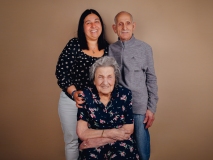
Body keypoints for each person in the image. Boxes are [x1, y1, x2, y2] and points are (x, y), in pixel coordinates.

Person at [55, 9, 108, 160]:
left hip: (98, 105)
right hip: (71, 102)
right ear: (82, 27)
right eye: (88, 22)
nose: (93, 25)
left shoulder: (108, 49)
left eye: (96, 21)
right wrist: (74, 93)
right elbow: (61, 72)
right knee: (72, 142)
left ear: (101, 25)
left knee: (94, 143)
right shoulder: (74, 45)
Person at [108, 11, 159, 160]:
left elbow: (151, 79)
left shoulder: (145, 48)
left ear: (133, 26)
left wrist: (151, 108)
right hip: (117, 107)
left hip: (139, 107)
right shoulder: (110, 49)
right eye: (120, 24)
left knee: (142, 151)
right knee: (119, 150)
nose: (124, 27)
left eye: (128, 23)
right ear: (114, 28)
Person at [76, 56, 139, 160]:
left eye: (109, 77)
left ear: (115, 79)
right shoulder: (85, 96)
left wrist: (100, 140)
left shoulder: (125, 94)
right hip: (94, 147)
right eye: (100, 77)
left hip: (119, 143)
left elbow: (128, 130)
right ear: (94, 80)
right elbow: (82, 133)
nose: (105, 82)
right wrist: (112, 133)